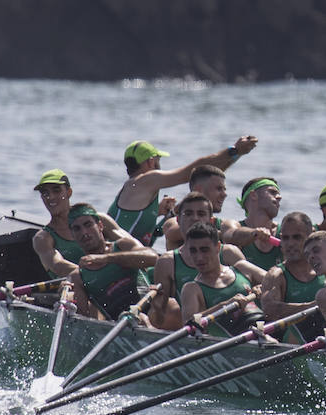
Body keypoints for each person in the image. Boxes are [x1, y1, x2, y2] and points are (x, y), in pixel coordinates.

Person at [107, 136, 257, 245]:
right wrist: (234, 151)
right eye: (159, 160)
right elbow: (193, 172)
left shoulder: (134, 189)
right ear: (151, 161)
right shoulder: (146, 180)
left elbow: (155, 233)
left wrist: (165, 213)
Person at [148, 191, 260, 328]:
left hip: (247, 325)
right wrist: (157, 309)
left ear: (211, 221)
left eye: (201, 214)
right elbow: (159, 322)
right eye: (188, 214)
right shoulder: (167, 262)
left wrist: (261, 289)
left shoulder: (230, 254)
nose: (194, 219)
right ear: (178, 220)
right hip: (199, 334)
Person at [63, 203, 158, 320]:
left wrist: (107, 258)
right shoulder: (78, 277)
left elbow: (153, 258)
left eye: (88, 225)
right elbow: (85, 320)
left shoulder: (123, 245)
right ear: (72, 235)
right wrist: (67, 298)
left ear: (100, 226)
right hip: (120, 327)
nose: (84, 233)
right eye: (77, 229)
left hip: (153, 314)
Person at [176, 223, 266, 338]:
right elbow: (189, 323)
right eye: (193, 251)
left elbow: (275, 281)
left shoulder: (242, 268)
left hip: (264, 328)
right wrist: (225, 305)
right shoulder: (192, 289)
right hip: (231, 344)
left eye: (204, 250)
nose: (199, 257)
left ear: (218, 247)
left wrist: (262, 287)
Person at [259, 212, 325, 343]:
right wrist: (312, 307)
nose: (290, 244)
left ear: (311, 237)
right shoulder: (276, 275)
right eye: (285, 238)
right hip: (290, 343)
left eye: (297, 237)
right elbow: (270, 310)